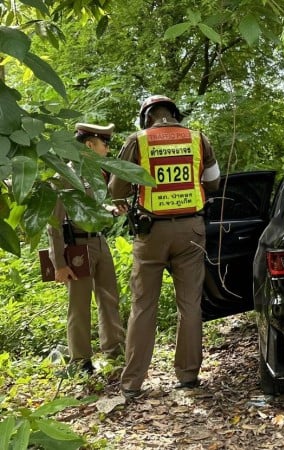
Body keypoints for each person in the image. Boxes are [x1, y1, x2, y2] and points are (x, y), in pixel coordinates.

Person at [109, 95, 220, 400]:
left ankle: (132, 383)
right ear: (174, 114)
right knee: (190, 304)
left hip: (152, 232)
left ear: (147, 117)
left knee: (143, 305)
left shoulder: (138, 140)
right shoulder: (198, 139)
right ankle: (188, 376)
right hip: (191, 231)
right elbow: (213, 182)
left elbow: (116, 188)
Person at [47, 123, 126, 375]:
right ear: (89, 145)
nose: (107, 149)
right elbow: (53, 223)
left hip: (99, 241)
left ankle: (115, 352)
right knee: (79, 305)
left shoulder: (94, 174)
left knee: (109, 299)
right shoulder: (64, 176)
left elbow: (94, 205)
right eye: (105, 143)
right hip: (77, 247)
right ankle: (81, 361)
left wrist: (111, 210)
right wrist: (59, 263)